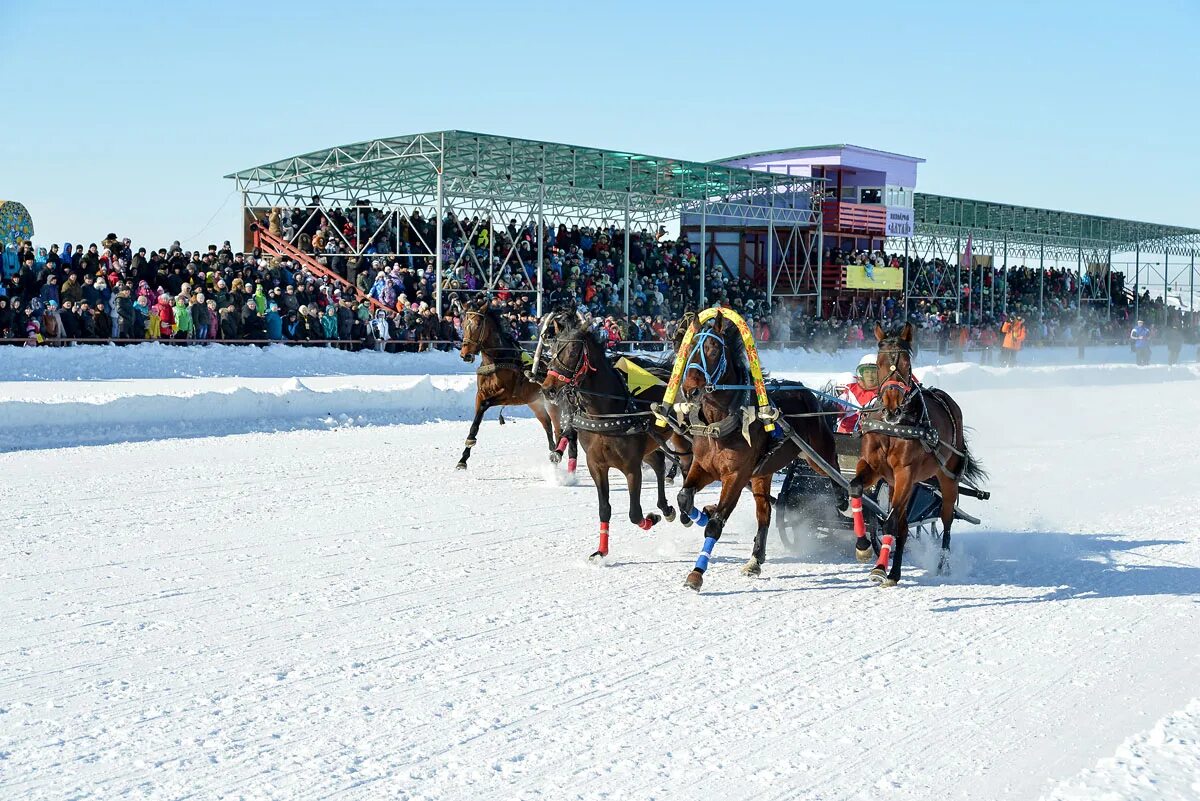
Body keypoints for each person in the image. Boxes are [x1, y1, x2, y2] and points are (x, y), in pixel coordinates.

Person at [836, 354, 880, 434]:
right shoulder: (851, 391)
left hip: (873, 437)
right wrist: (834, 409)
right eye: (866, 372)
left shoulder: (885, 393)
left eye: (873, 372)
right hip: (845, 436)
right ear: (861, 374)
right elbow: (840, 404)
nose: (870, 376)